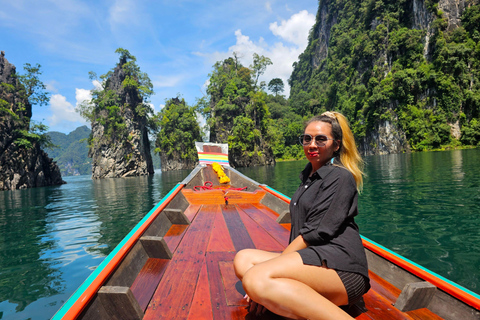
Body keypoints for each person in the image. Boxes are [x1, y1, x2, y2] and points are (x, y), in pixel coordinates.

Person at [233, 111, 370, 320]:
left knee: (255, 279)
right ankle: (283, 297)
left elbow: (313, 233)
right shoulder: (309, 177)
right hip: (315, 258)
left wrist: (263, 284)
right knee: (243, 259)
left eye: (321, 139)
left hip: (341, 269)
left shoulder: (340, 177)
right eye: (307, 139)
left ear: (336, 145)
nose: (312, 144)